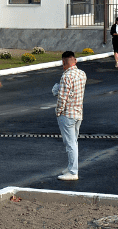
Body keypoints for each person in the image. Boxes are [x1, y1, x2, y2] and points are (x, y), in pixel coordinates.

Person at [52, 51, 87, 180]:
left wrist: (58, 111)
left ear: (63, 62)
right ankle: (71, 167)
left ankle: (73, 172)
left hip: (67, 114)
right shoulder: (82, 74)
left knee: (70, 144)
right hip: (78, 113)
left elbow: (63, 97)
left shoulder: (66, 76)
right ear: (75, 61)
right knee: (73, 142)